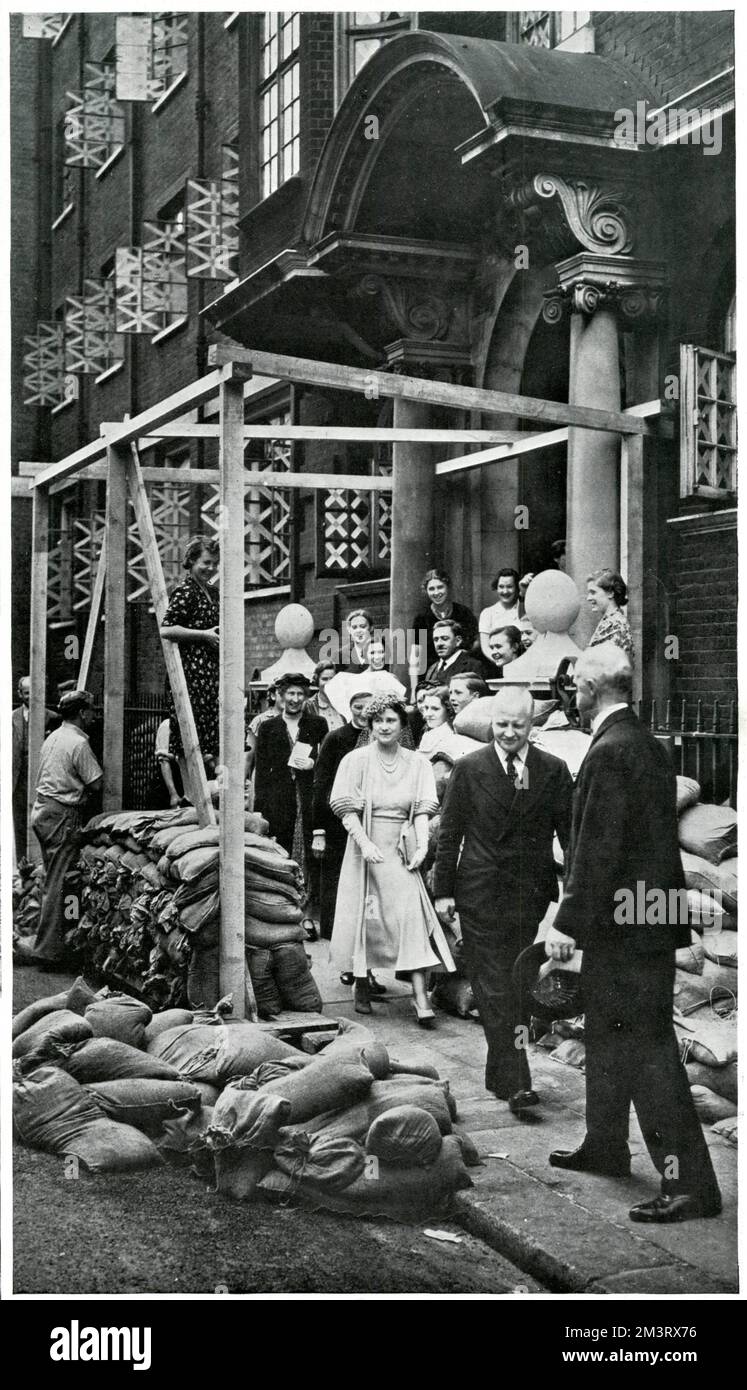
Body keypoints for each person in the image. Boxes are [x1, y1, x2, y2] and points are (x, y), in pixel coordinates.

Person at [545, 644, 722, 1223]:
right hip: (642, 920)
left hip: (625, 928)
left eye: (575, 686)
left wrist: (567, 925)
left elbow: (597, 848)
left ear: (592, 690)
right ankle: (606, 1146)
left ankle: (689, 1183)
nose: (571, 695)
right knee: (608, 1035)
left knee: (647, 1052)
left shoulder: (610, 751)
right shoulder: (643, 743)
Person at [433, 687, 573, 1114]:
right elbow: (449, 834)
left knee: (513, 984)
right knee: (492, 986)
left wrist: (574, 897)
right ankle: (517, 1081)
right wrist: (443, 892)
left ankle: (499, 1072)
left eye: (518, 725)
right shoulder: (470, 768)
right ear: (491, 723)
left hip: (527, 895)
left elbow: (571, 839)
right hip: (478, 891)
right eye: (501, 725)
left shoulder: (552, 769)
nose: (509, 733)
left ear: (532, 725)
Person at [330, 692, 456, 1022]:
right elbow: (346, 809)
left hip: (401, 849)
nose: (384, 727)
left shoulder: (416, 764)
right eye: (377, 721)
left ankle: (419, 997)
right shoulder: (355, 761)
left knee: (411, 917)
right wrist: (365, 843)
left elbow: (421, 809)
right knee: (367, 915)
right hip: (365, 846)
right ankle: (362, 980)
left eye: (391, 720)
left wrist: (421, 846)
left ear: (402, 725)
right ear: (369, 726)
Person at [29, 689, 104, 968]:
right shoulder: (78, 743)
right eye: (92, 711)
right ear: (82, 713)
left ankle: (57, 944)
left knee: (57, 879)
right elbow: (96, 782)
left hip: (44, 811)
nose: (95, 715)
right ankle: (49, 951)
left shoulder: (54, 737)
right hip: (62, 814)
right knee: (59, 883)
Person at [254, 672, 328, 940]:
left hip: (308, 797)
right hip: (279, 800)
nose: (295, 699)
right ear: (280, 695)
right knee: (281, 853)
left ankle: (306, 916)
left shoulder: (317, 724)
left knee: (307, 856)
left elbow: (326, 763)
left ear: (306, 697)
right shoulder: (269, 727)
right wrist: (260, 811)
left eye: (300, 694)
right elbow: (261, 771)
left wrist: (313, 764)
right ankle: (284, 915)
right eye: (290, 694)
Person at [161, 535, 220, 784]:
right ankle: (190, 790)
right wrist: (203, 635)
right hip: (192, 670)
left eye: (214, 564)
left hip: (209, 670)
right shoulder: (186, 591)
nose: (210, 568)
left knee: (209, 727)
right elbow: (166, 629)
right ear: (192, 561)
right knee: (190, 729)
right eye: (205, 563)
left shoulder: (212, 592)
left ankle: (206, 787)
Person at [12, 675, 55, 861]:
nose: (30, 697)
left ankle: (39, 861)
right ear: (20, 694)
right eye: (26, 693)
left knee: (41, 820)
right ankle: (22, 861)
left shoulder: (51, 717)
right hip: (19, 778)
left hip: (41, 777)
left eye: (34, 692)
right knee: (20, 821)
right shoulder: (11, 718)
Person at [412, 568, 478, 669]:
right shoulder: (421, 619)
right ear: (426, 591)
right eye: (431, 589)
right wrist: (414, 685)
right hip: (432, 674)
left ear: (448, 587)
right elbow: (416, 657)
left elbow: (476, 641)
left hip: (462, 671)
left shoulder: (463, 612)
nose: (436, 592)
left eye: (440, 587)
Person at [419, 686, 481, 760]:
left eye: (435, 709)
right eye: (426, 708)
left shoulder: (437, 735)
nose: (427, 714)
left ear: (449, 710)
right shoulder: (429, 733)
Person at [586, 569, 634, 658]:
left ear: (610, 593)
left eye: (593, 592)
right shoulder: (611, 620)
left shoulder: (616, 624)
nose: (588, 598)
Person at [478, 568, 521, 661]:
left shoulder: (524, 610)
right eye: (501, 587)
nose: (505, 591)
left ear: (517, 587)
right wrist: (501, 662)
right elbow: (485, 648)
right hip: (496, 665)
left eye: (509, 586)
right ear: (496, 588)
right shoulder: (487, 613)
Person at [305, 660, 345, 732]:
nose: (329, 683)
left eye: (332, 679)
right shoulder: (308, 706)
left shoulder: (344, 704)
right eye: (324, 679)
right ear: (317, 680)